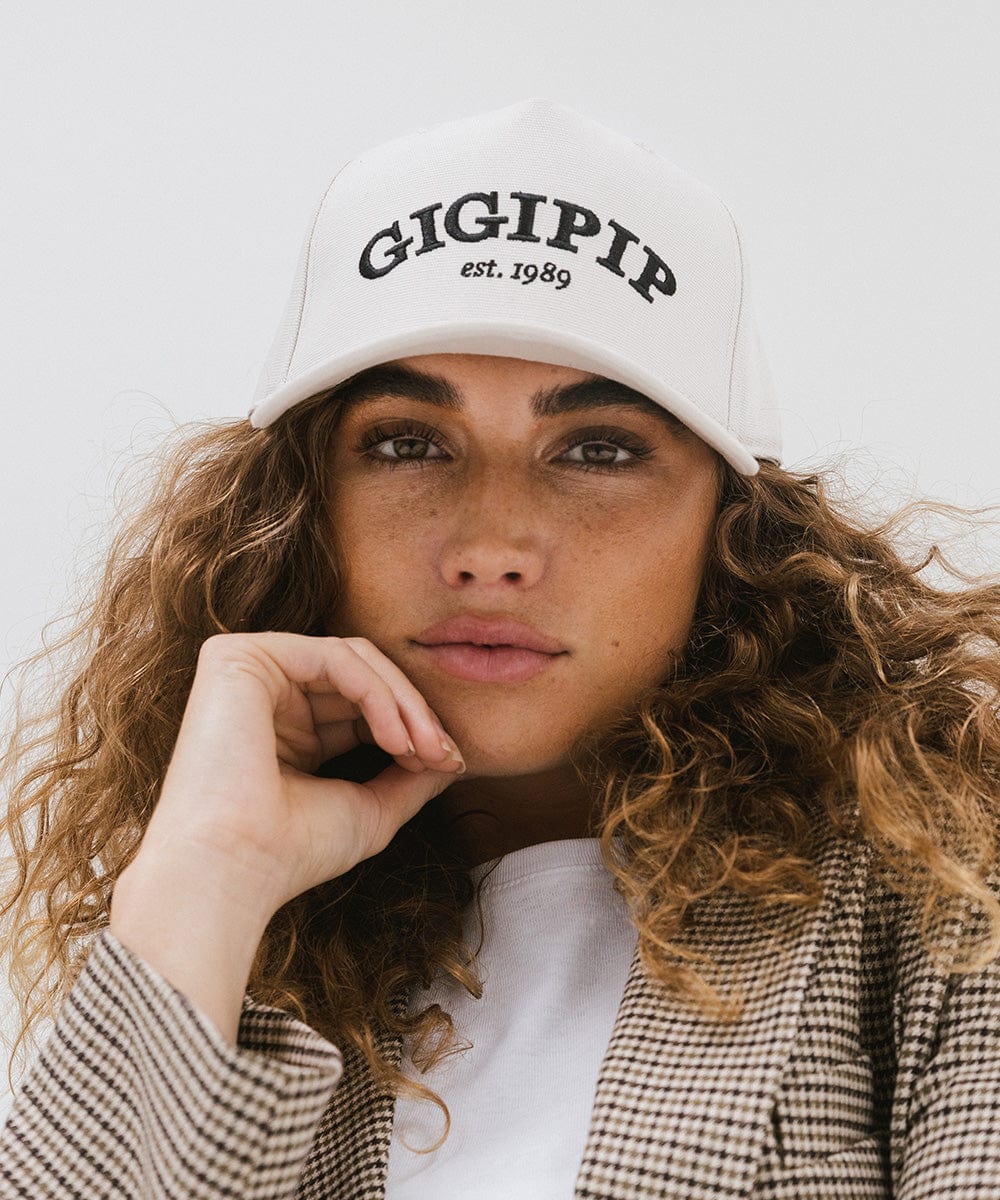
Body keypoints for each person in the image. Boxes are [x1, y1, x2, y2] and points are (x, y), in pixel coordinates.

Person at [1, 97, 999, 1199]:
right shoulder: (255, 969)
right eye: (407, 443)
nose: (489, 549)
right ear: (300, 507)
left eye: (598, 449)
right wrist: (203, 879)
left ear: (733, 526)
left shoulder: (947, 898)